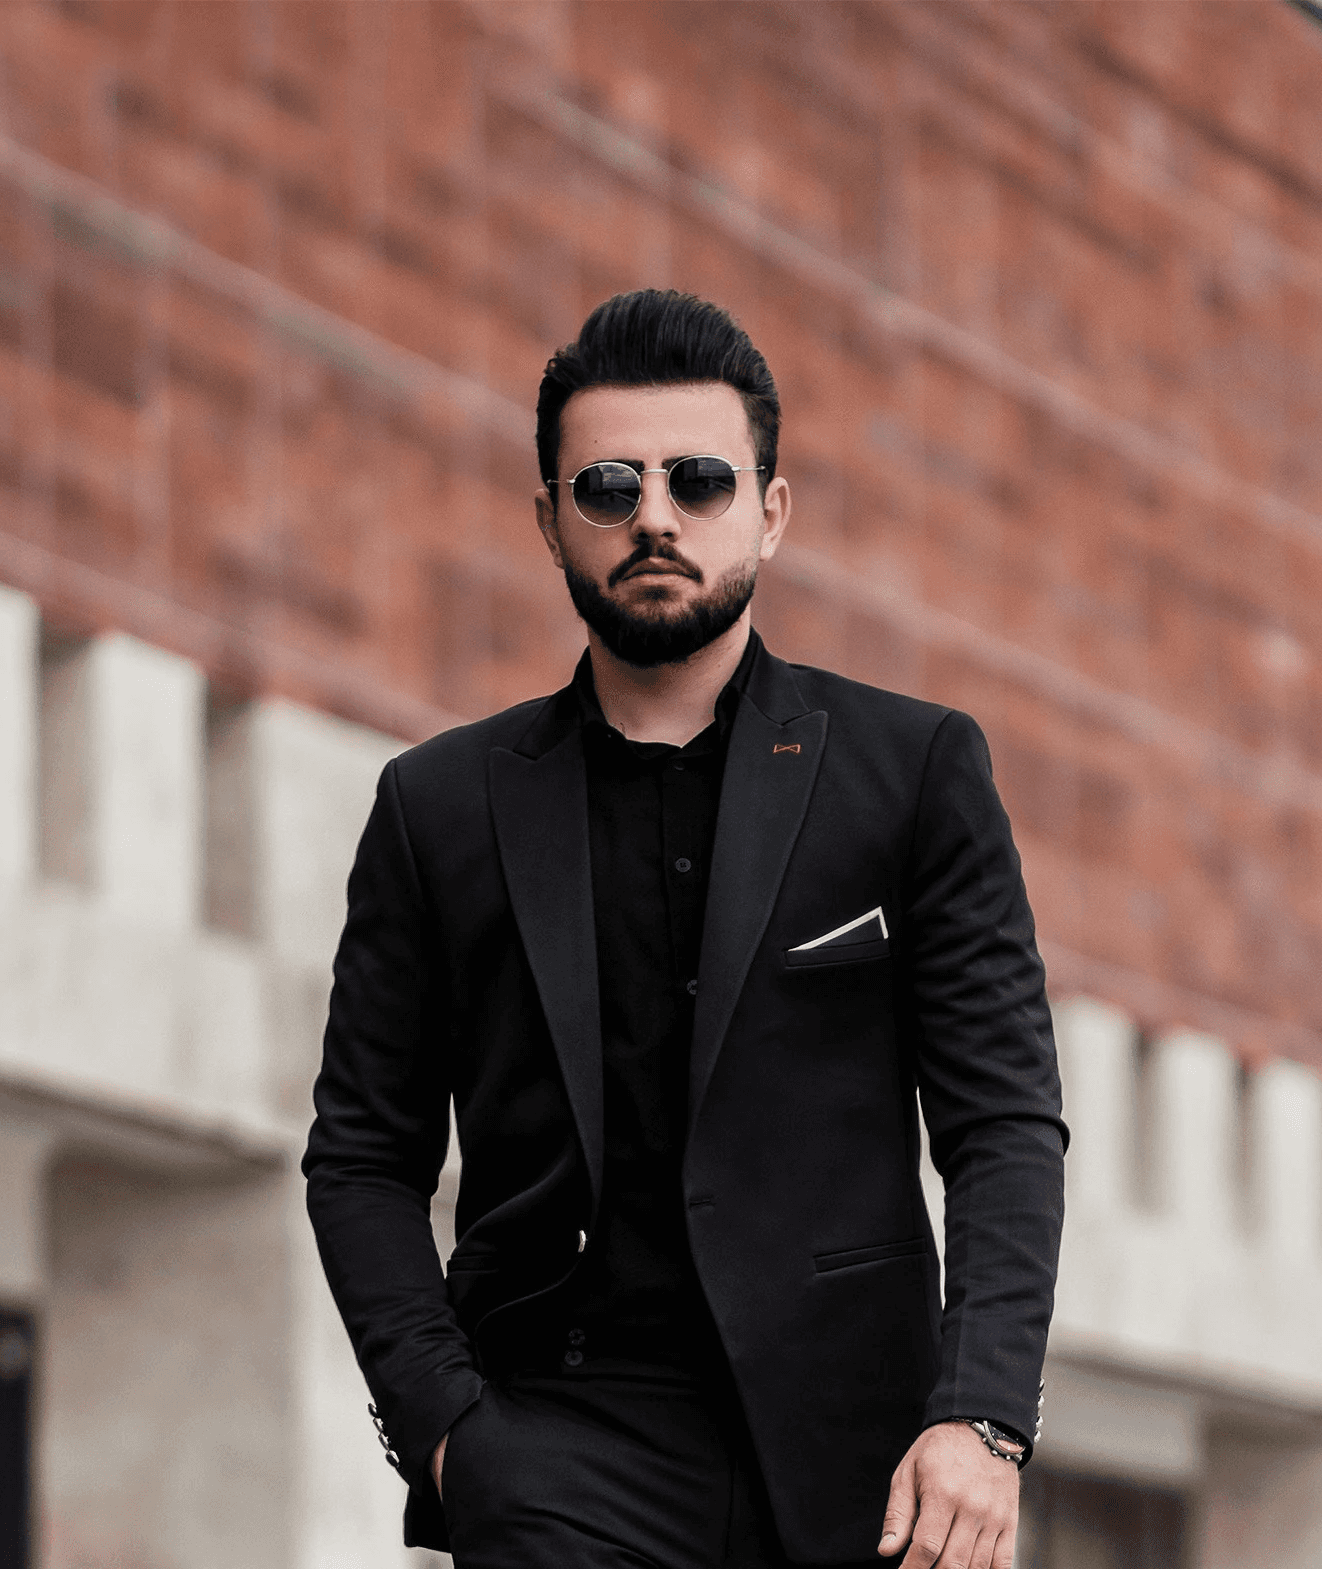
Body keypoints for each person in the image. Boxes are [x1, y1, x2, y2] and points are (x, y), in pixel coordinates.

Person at [303, 289, 1066, 1569]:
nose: (654, 516)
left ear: (769, 510)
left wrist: (981, 1418)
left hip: (863, 1467)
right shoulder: (436, 807)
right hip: (557, 1453)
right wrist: (448, 1435)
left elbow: (1000, 1123)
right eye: (607, 488)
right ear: (549, 521)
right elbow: (361, 1157)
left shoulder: (912, 773)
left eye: (699, 481)